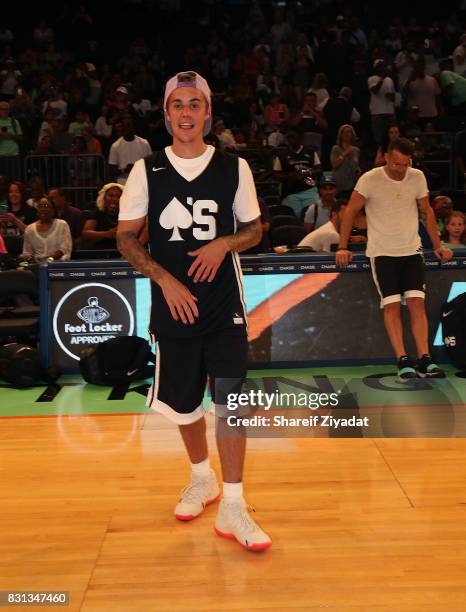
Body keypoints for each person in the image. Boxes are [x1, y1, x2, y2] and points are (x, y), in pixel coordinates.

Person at [117, 70, 271, 551]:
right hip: (173, 304)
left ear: (207, 112)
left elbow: (254, 229)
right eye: (177, 105)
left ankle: (234, 504)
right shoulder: (146, 170)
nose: (186, 113)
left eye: (194, 104)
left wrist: (224, 243)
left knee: (230, 402)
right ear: (166, 116)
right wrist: (164, 279)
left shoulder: (234, 167)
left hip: (223, 301)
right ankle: (201, 478)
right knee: (183, 404)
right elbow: (126, 236)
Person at [336, 138, 452, 380]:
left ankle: (425, 359)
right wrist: (343, 246)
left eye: (405, 164)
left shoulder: (417, 176)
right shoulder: (369, 179)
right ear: (387, 157)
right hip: (382, 253)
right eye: (396, 163)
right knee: (391, 306)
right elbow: (350, 212)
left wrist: (438, 245)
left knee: (417, 304)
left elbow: (427, 211)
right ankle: (402, 360)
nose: (400, 169)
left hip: (412, 250)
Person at [273, 128, 320, 218]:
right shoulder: (281, 155)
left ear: (300, 138)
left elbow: (318, 169)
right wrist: (290, 176)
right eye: (288, 138)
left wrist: (307, 172)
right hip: (290, 193)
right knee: (293, 217)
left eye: (293, 137)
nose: (291, 140)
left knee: (313, 215)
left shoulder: (310, 152)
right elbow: (276, 174)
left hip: (309, 190)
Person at [20, 197, 72, 262]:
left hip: (57, 264)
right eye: (40, 206)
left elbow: (65, 249)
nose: (43, 209)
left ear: (53, 211)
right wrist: (26, 257)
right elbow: (27, 252)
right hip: (36, 266)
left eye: (46, 206)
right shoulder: (29, 229)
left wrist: (48, 260)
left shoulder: (62, 224)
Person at [108, 117, 152, 183]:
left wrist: (138, 168)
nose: (128, 129)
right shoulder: (115, 146)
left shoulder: (144, 143)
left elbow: (151, 164)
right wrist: (125, 170)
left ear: (134, 128)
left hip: (142, 181)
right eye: (126, 126)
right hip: (123, 182)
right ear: (122, 128)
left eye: (130, 126)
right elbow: (112, 170)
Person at [82, 183, 123, 249]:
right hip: (99, 252)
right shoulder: (96, 211)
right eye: (110, 195)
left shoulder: (128, 214)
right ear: (104, 197)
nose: (114, 199)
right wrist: (107, 234)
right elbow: (86, 233)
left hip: (122, 253)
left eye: (118, 196)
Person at [330, 124, 360, 195]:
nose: (346, 134)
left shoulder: (356, 150)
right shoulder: (336, 149)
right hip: (337, 183)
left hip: (351, 184)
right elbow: (334, 165)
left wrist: (358, 171)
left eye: (349, 132)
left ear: (352, 134)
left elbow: (356, 166)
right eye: (344, 132)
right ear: (341, 134)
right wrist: (345, 153)